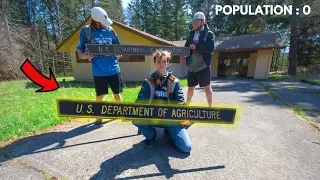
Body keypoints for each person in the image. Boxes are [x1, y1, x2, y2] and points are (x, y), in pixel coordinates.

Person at [132, 50, 192, 153]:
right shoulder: (148, 82)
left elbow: (180, 103)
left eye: (164, 61)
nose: (161, 64)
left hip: (170, 118)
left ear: (168, 63)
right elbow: (141, 100)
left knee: (186, 148)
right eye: (158, 61)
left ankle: (170, 130)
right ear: (154, 63)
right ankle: (151, 136)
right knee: (135, 119)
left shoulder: (175, 82)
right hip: (153, 116)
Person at [77, 7, 123, 125]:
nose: (106, 25)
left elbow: (118, 48)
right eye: (103, 23)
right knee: (100, 95)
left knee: (117, 94)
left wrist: (118, 54)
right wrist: (86, 56)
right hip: (99, 70)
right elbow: (80, 52)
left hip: (113, 68)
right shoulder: (86, 31)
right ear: (97, 22)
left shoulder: (111, 31)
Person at [184, 12, 215, 107]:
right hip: (191, 66)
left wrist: (196, 46)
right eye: (194, 22)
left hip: (203, 66)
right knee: (190, 87)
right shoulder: (191, 34)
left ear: (203, 21)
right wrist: (185, 52)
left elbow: (210, 48)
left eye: (197, 22)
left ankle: (210, 107)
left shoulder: (209, 34)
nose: (194, 24)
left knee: (207, 88)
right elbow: (186, 46)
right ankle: (187, 105)